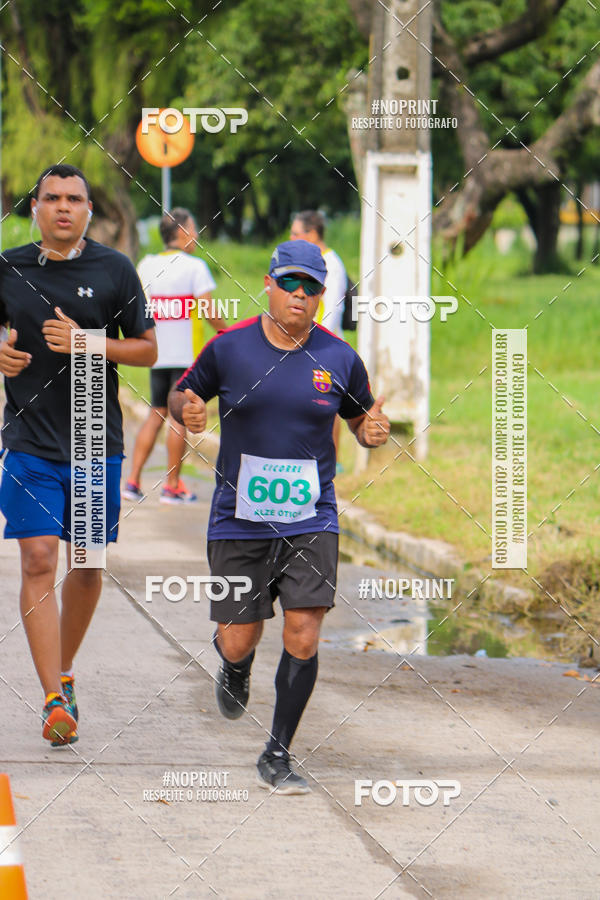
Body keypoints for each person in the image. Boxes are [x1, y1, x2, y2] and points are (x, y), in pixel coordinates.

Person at [169, 239, 389, 794]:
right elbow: (182, 393)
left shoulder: (339, 358)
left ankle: (278, 752)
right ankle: (235, 666)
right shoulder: (230, 348)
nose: (299, 294)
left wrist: (372, 431)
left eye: (311, 286)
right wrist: (188, 408)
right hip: (238, 517)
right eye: (289, 282)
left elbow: (363, 418)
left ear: (322, 295)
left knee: (304, 630)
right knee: (240, 637)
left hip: (310, 516)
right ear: (268, 282)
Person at [0, 164, 156, 746]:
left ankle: (64, 671)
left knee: (86, 563)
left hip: (95, 439)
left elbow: (146, 349)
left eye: (75, 199)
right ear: (34, 207)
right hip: (28, 438)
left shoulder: (114, 269)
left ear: (89, 210)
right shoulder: (8, 267)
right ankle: (51, 698)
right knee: (38, 557)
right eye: (52, 198)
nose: (63, 207)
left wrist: (89, 343)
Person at [122, 208, 225, 504]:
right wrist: (228, 334)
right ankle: (172, 486)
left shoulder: (147, 265)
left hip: (155, 353)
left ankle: (132, 481)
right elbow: (208, 311)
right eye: (194, 229)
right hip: (185, 356)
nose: (196, 235)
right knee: (178, 418)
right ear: (181, 232)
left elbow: (137, 307)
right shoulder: (194, 267)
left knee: (156, 413)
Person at [290, 210, 349, 464]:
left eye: (295, 233)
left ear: (312, 234)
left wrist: (319, 345)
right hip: (306, 343)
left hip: (324, 347)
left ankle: (331, 461)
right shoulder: (310, 262)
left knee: (328, 404)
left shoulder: (331, 264)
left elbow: (333, 308)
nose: (291, 238)